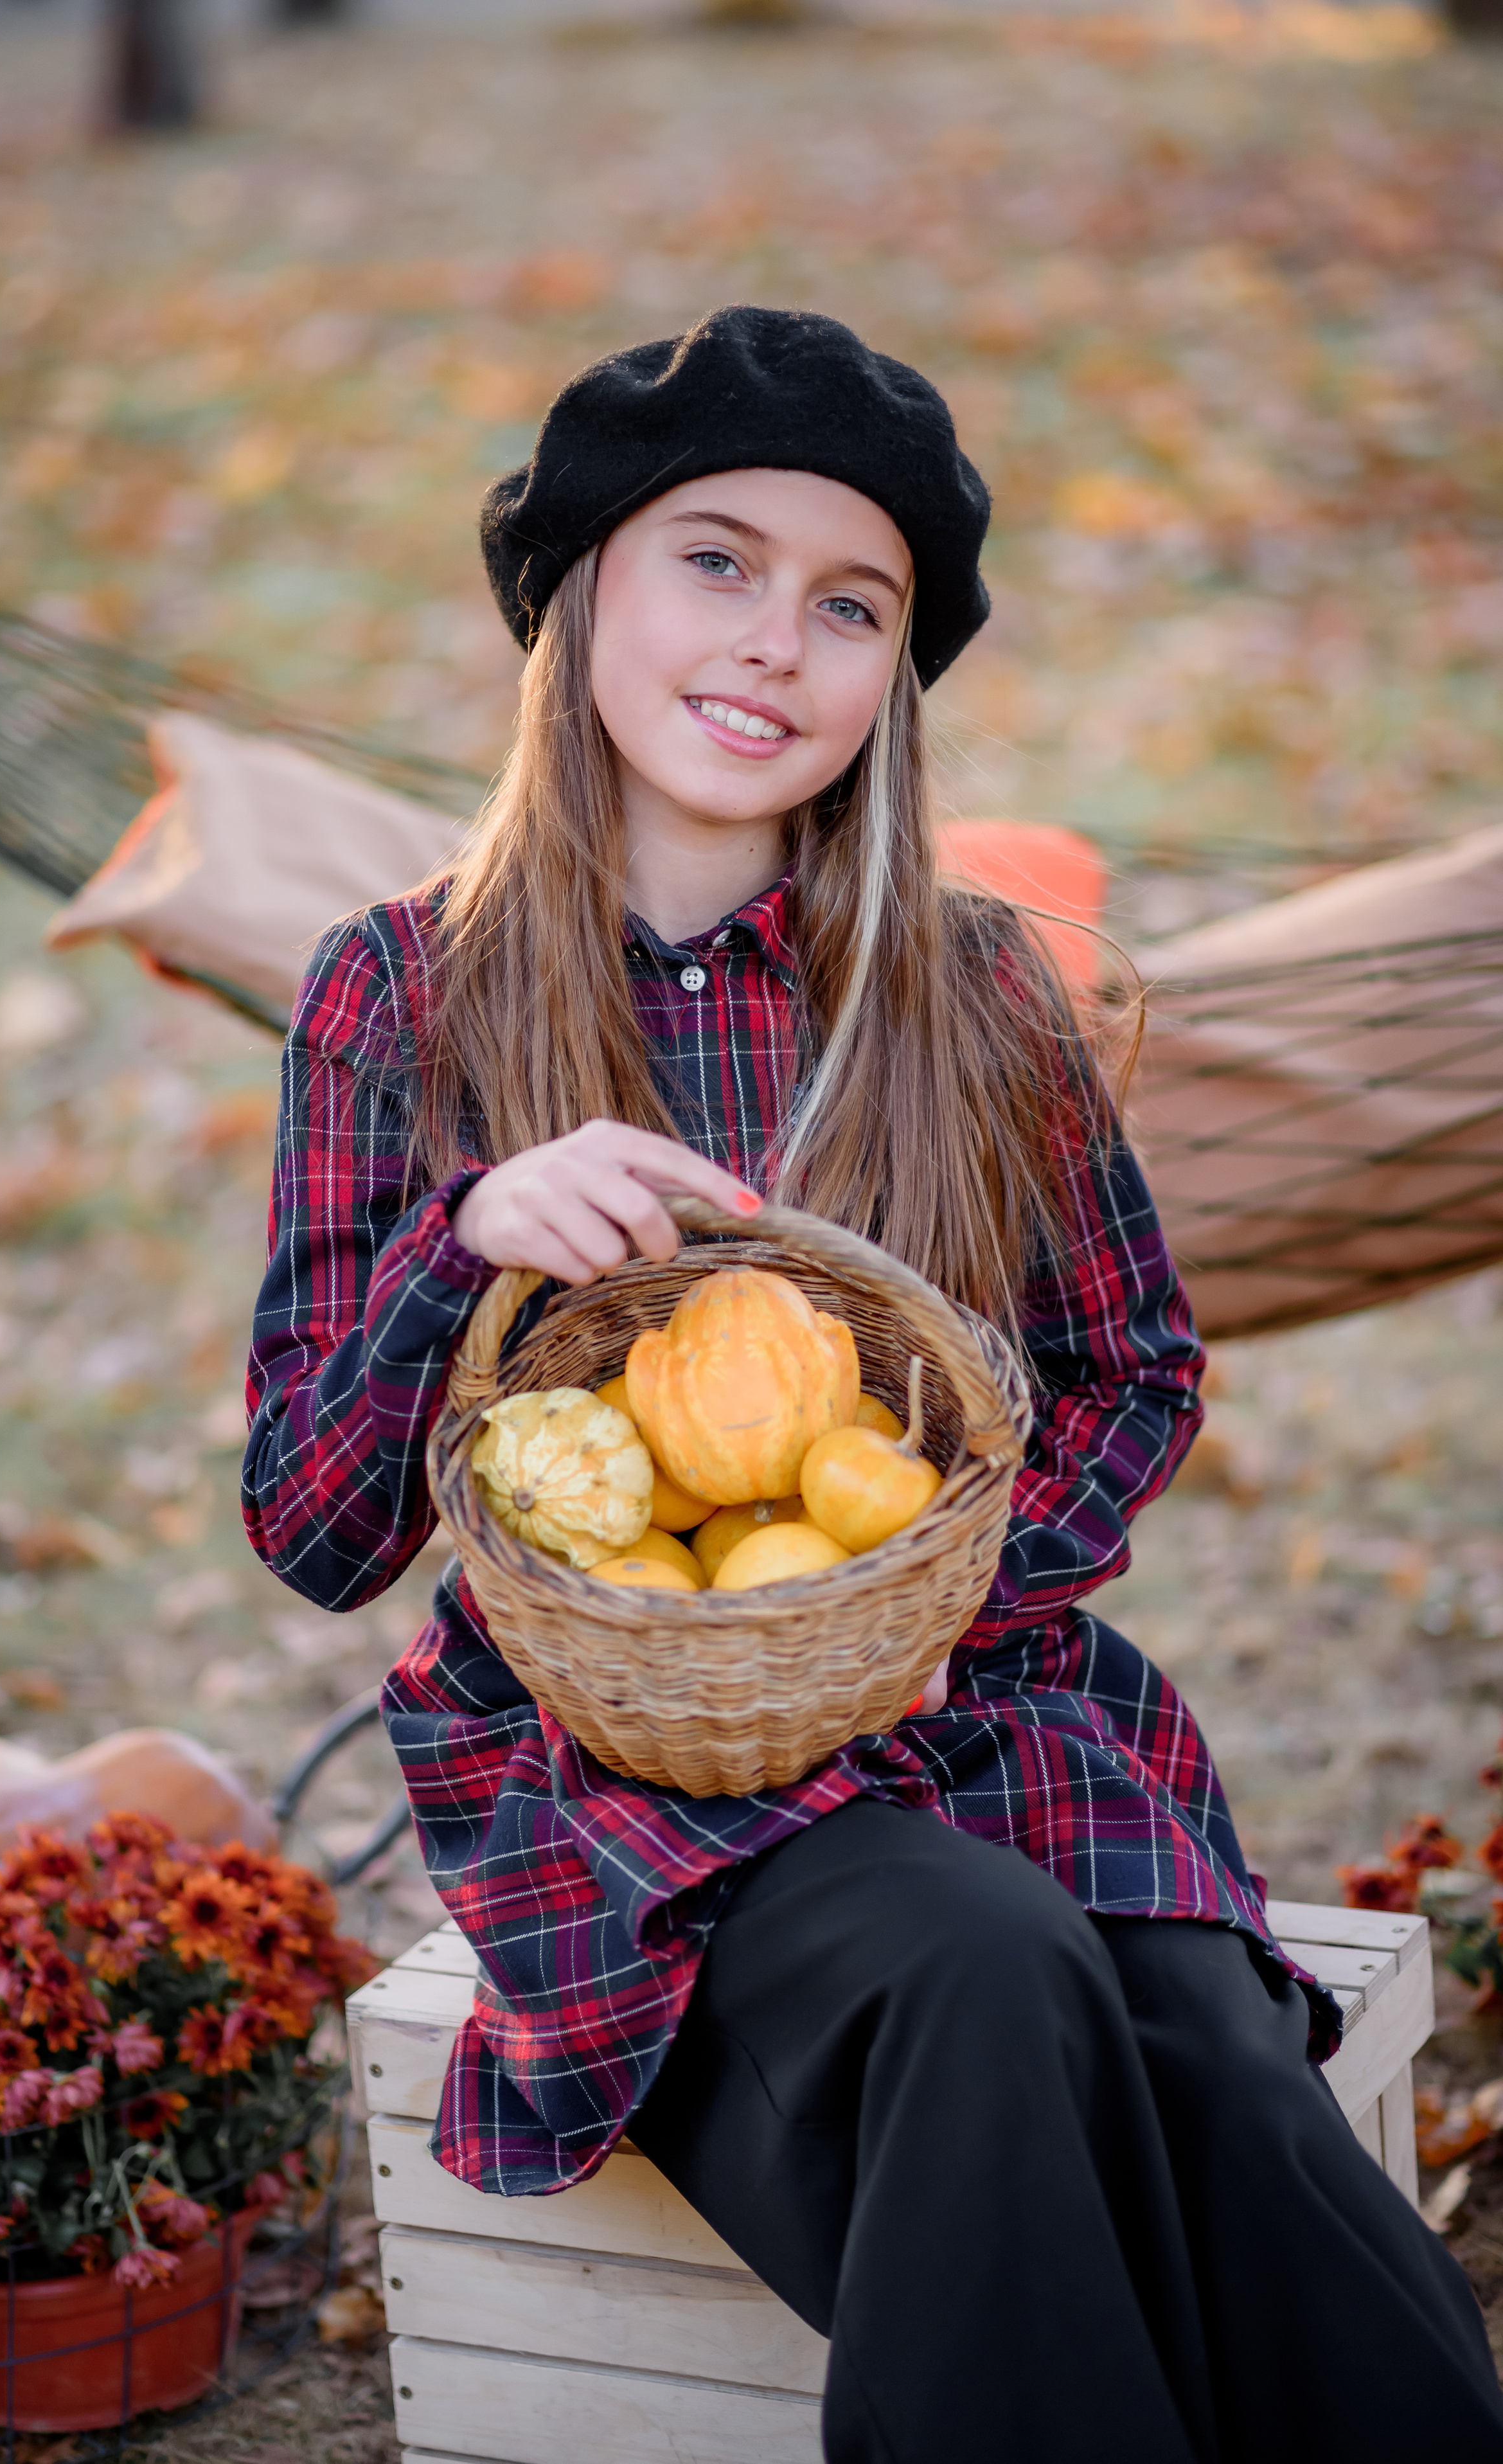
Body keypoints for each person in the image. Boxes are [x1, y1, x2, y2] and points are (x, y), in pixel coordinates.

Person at [242, 306, 1503, 2461]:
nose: (776, 644)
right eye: (712, 559)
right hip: (617, 1761)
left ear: (896, 676)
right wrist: (463, 1250)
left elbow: (1130, 1370)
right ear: (580, 593)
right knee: (980, 1968)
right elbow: (316, 1523)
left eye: (853, 604)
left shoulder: (978, 993)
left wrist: (936, 1598)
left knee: (1200, 2032)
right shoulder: (408, 989)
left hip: (973, 1698)